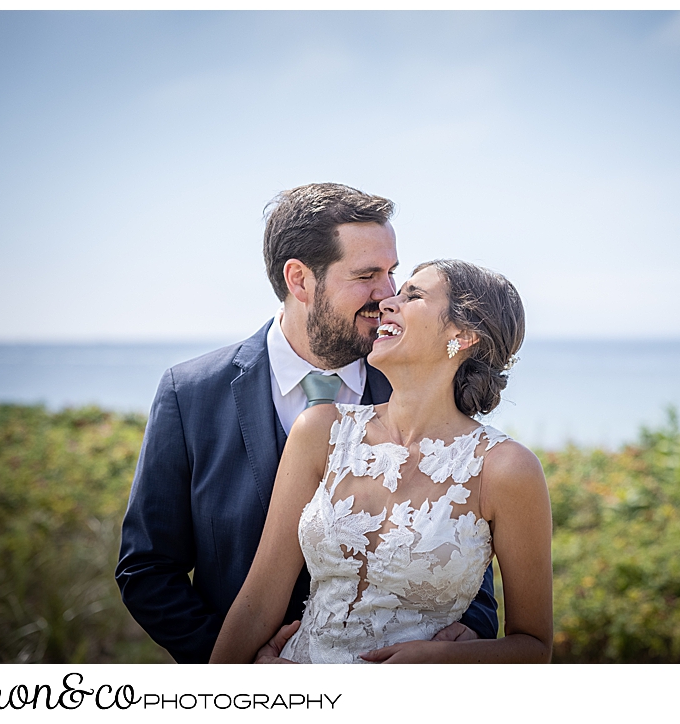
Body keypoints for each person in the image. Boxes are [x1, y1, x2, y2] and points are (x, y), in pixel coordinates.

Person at [116, 184, 498, 664]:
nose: (386, 296)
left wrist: (463, 642)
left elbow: (470, 567)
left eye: (392, 273)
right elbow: (147, 569)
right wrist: (243, 670)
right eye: (367, 275)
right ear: (299, 280)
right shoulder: (189, 394)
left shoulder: (427, 392)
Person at [210, 259, 553, 664]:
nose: (388, 301)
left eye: (414, 295)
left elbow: (533, 646)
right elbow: (259, 598)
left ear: (462, 335)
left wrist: (436, 661)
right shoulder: (320, 431)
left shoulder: (506, 469)